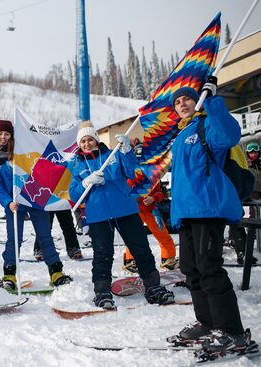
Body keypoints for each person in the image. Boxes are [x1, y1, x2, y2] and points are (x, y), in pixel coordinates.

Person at [166, 82, 254, 354]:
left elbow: (229, 135)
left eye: (187, 99)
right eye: (177, 102)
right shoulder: (180, 138)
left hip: (207, 208)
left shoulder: (206, 126)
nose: (182, 104)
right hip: (186, 212)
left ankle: (232, 332)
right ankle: (207, 322)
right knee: (191, 270)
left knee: (209, 268)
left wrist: (214, 103)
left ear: (198, 102)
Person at [69, 121, 174, 310]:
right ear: (79, 144)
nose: (87, 144)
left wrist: (127, 151)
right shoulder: (76, 166)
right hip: (98, 216)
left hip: (125, 210)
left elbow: (131, 171)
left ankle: (153, 286)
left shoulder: (112, 154)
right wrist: (85, 183)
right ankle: (102, 292)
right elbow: (74, 194)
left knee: (140, 248)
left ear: (96, 139)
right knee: (102, 254)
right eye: (83, 141)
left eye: (90, 139)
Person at [0, 120, 72, 290]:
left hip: (34, 199)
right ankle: (9, 274)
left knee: (45, 236)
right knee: (14, 239)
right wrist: (7, 202)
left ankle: (56, 271)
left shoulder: (22, 151)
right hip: (14, 204)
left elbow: (39, 168)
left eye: (7, 134)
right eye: (0, 134)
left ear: (12, 136)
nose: (3, 137)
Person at [123, 180, 178, 273]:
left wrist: (153, 198)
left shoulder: (154, 174)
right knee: (134, 237)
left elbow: (160, 193)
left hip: (151, 211)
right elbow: (127, 190)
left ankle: (168, 259)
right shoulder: (132, 172)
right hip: (136, 211)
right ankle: (130, 260)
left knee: (163, 235)